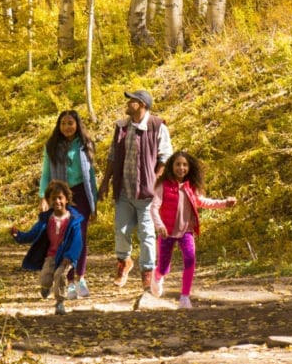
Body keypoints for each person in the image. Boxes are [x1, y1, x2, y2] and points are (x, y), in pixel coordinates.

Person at [98, 89, 172, 291]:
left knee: (147, 234)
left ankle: (147, 274)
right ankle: (124, 262)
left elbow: (165, 157)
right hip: (124, 190)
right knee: (120, 231)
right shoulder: (122, 127)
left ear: (142, 105)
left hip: (147, 194)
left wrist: (156, 181)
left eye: (132, 101)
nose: (128, 103)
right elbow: (112, 157)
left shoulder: (157, 126)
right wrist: (105, 182)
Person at [150, 150, 237, 309]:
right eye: (178, 164)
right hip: (166, 232)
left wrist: (225, 203)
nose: (181, 168)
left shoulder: (191, 187)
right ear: (171, 166)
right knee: (164, 268)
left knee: (190, 261)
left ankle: (184, 298)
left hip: (186, 231)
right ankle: (157, 276)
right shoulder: (163, 186)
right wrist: (160, 226)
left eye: (184, 165)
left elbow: (204, 202)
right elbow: (154, 208)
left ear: (189, 168)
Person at [39, 109, 97, 300]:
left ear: (77, 125)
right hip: (60, 195)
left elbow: (91, 176)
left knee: (81, 235)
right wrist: (43, 198)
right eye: (63, 123)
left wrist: (93, 203)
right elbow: (46, 174)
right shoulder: (52, 146)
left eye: (70, 123)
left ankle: (81, 278)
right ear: (59, 126)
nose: (67, 127)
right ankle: (68, 281)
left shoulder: (86, 144)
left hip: (81, 193)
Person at [10, 180, 83, 315]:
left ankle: (60, 302)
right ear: (49, 201)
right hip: (51, 256)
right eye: (53, 198)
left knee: (60, 275)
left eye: (60, 198)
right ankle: (46, 287)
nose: (57, 201)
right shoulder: (46, 220)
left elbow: (78, 242)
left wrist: (70, 256)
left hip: (65, 257)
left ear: (66, 199)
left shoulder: (74, 220)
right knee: (45, 279)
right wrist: (18, 235)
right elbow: (32, 234)